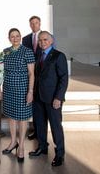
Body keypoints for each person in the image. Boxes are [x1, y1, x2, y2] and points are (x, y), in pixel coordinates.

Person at [29, 31, 68, 167]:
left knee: (56, 126)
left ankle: (59, 154)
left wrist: (59, 97)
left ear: (51, 41)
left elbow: (64, 79)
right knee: (39, 124)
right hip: (38, 97)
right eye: (40, 40)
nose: (42, 42)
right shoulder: (38, 55)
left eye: (45, 40)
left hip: (53, 99)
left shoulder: (59, 56)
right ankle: (42, 147)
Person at [0, 28, 35, 163]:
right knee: (11, 116)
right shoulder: (5, 51)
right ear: (9, 38)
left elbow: (31, 73)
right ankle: (13, 142)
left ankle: (22, 147)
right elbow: (1, 71)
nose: (15, 38)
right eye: (12, 36)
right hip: (8, 88)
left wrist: (30, 91)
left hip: (22, 88)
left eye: (17, 36)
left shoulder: (27, 51)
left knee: (22, 117)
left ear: (21, 37)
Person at [22, 15, 42, 140]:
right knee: (34, 105)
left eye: (36, 23)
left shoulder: (46, 37)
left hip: (42, 76)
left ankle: (41, 132)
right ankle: (35, 130)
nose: (34, 25)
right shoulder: (26, 39)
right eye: (32, 23)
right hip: (30, 76)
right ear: (30, 25)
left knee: (40, 105)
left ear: (40, 23)